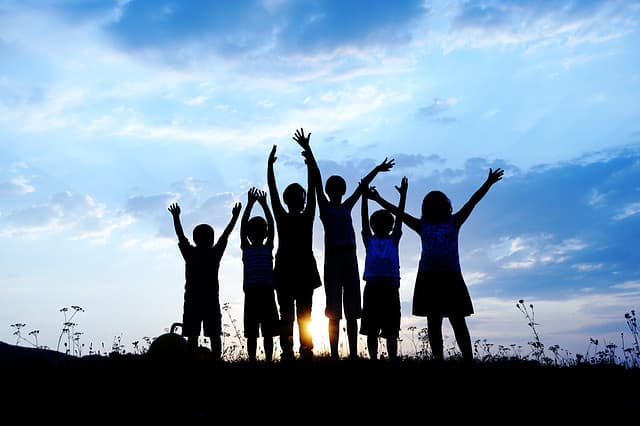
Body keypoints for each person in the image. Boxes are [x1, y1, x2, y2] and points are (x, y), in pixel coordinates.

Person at [368, 167, 504, 363]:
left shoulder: (452, 222)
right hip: (431, 277)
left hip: (447, 277)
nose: (436, 208)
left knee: (456, 321)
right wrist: (378, 199)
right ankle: (442, 359)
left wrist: (488, 183)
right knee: (436, 322)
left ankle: (467, 360)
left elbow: (472, 202)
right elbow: (400, 213)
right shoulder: (427, 224)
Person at [296, 133, 395, 359]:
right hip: (334, 259)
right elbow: (318, 180)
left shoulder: (347, 206)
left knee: (351, 311)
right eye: (335, 188)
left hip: (349, 258)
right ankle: (333, 354)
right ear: (332, 191)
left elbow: (362, 187)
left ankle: (351, 354)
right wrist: (310, 153)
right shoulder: (325, 207)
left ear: (341, 190)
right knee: (334, 311)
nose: (337, 191)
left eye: (340, 188)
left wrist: (378, 169)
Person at [267, 129, 321, 361]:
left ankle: (305, 348)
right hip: (288, 268)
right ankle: (289, 349)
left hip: (300, 268)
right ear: (295, 199)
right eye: (299, 195)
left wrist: (309, 153)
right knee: (289, 313)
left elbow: (313, 184)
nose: (303, 197)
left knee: (302, 312)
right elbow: (273, 190)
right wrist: (270, 166)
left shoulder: (306, 214)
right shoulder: (285, 215)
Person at [168, 201, 242, 359]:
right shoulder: (213, 254)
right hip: (208, 301)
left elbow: (181, 236)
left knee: (194, 336)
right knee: (213, 335)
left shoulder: (190, 253)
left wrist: (176, 218)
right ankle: (215, 362)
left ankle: (193, 363)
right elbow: (225, 235)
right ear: (211, 239)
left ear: (195, 239)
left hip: (193, 301)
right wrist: (234, 217)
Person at [360, 177, 407, 361]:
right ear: (374, 226)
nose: (381, 226)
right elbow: (364, 219)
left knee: (391, 330)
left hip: (388, 288)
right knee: (372, 329)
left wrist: (403, 196)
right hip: (373, 287)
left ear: (390, 226)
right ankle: (373, 359)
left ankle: (393, 359)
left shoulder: (393, 239)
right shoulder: (370, 240)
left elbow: (400, 217)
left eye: (385, 223)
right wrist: (364, 197)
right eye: (378, 223)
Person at [239, 187, 279, 362]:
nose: (256, 234)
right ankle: (252, 359)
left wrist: (264, 204)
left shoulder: (267, 246)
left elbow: (272, 225)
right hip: (253, 292)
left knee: (268, 332)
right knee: (252, 333)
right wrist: (249, 204)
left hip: (267, 292)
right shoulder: (246, 247)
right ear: (249, 234)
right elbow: (243, 227)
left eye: (259, 231)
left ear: (263, 233)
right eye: (252, 231)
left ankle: (269, 359)